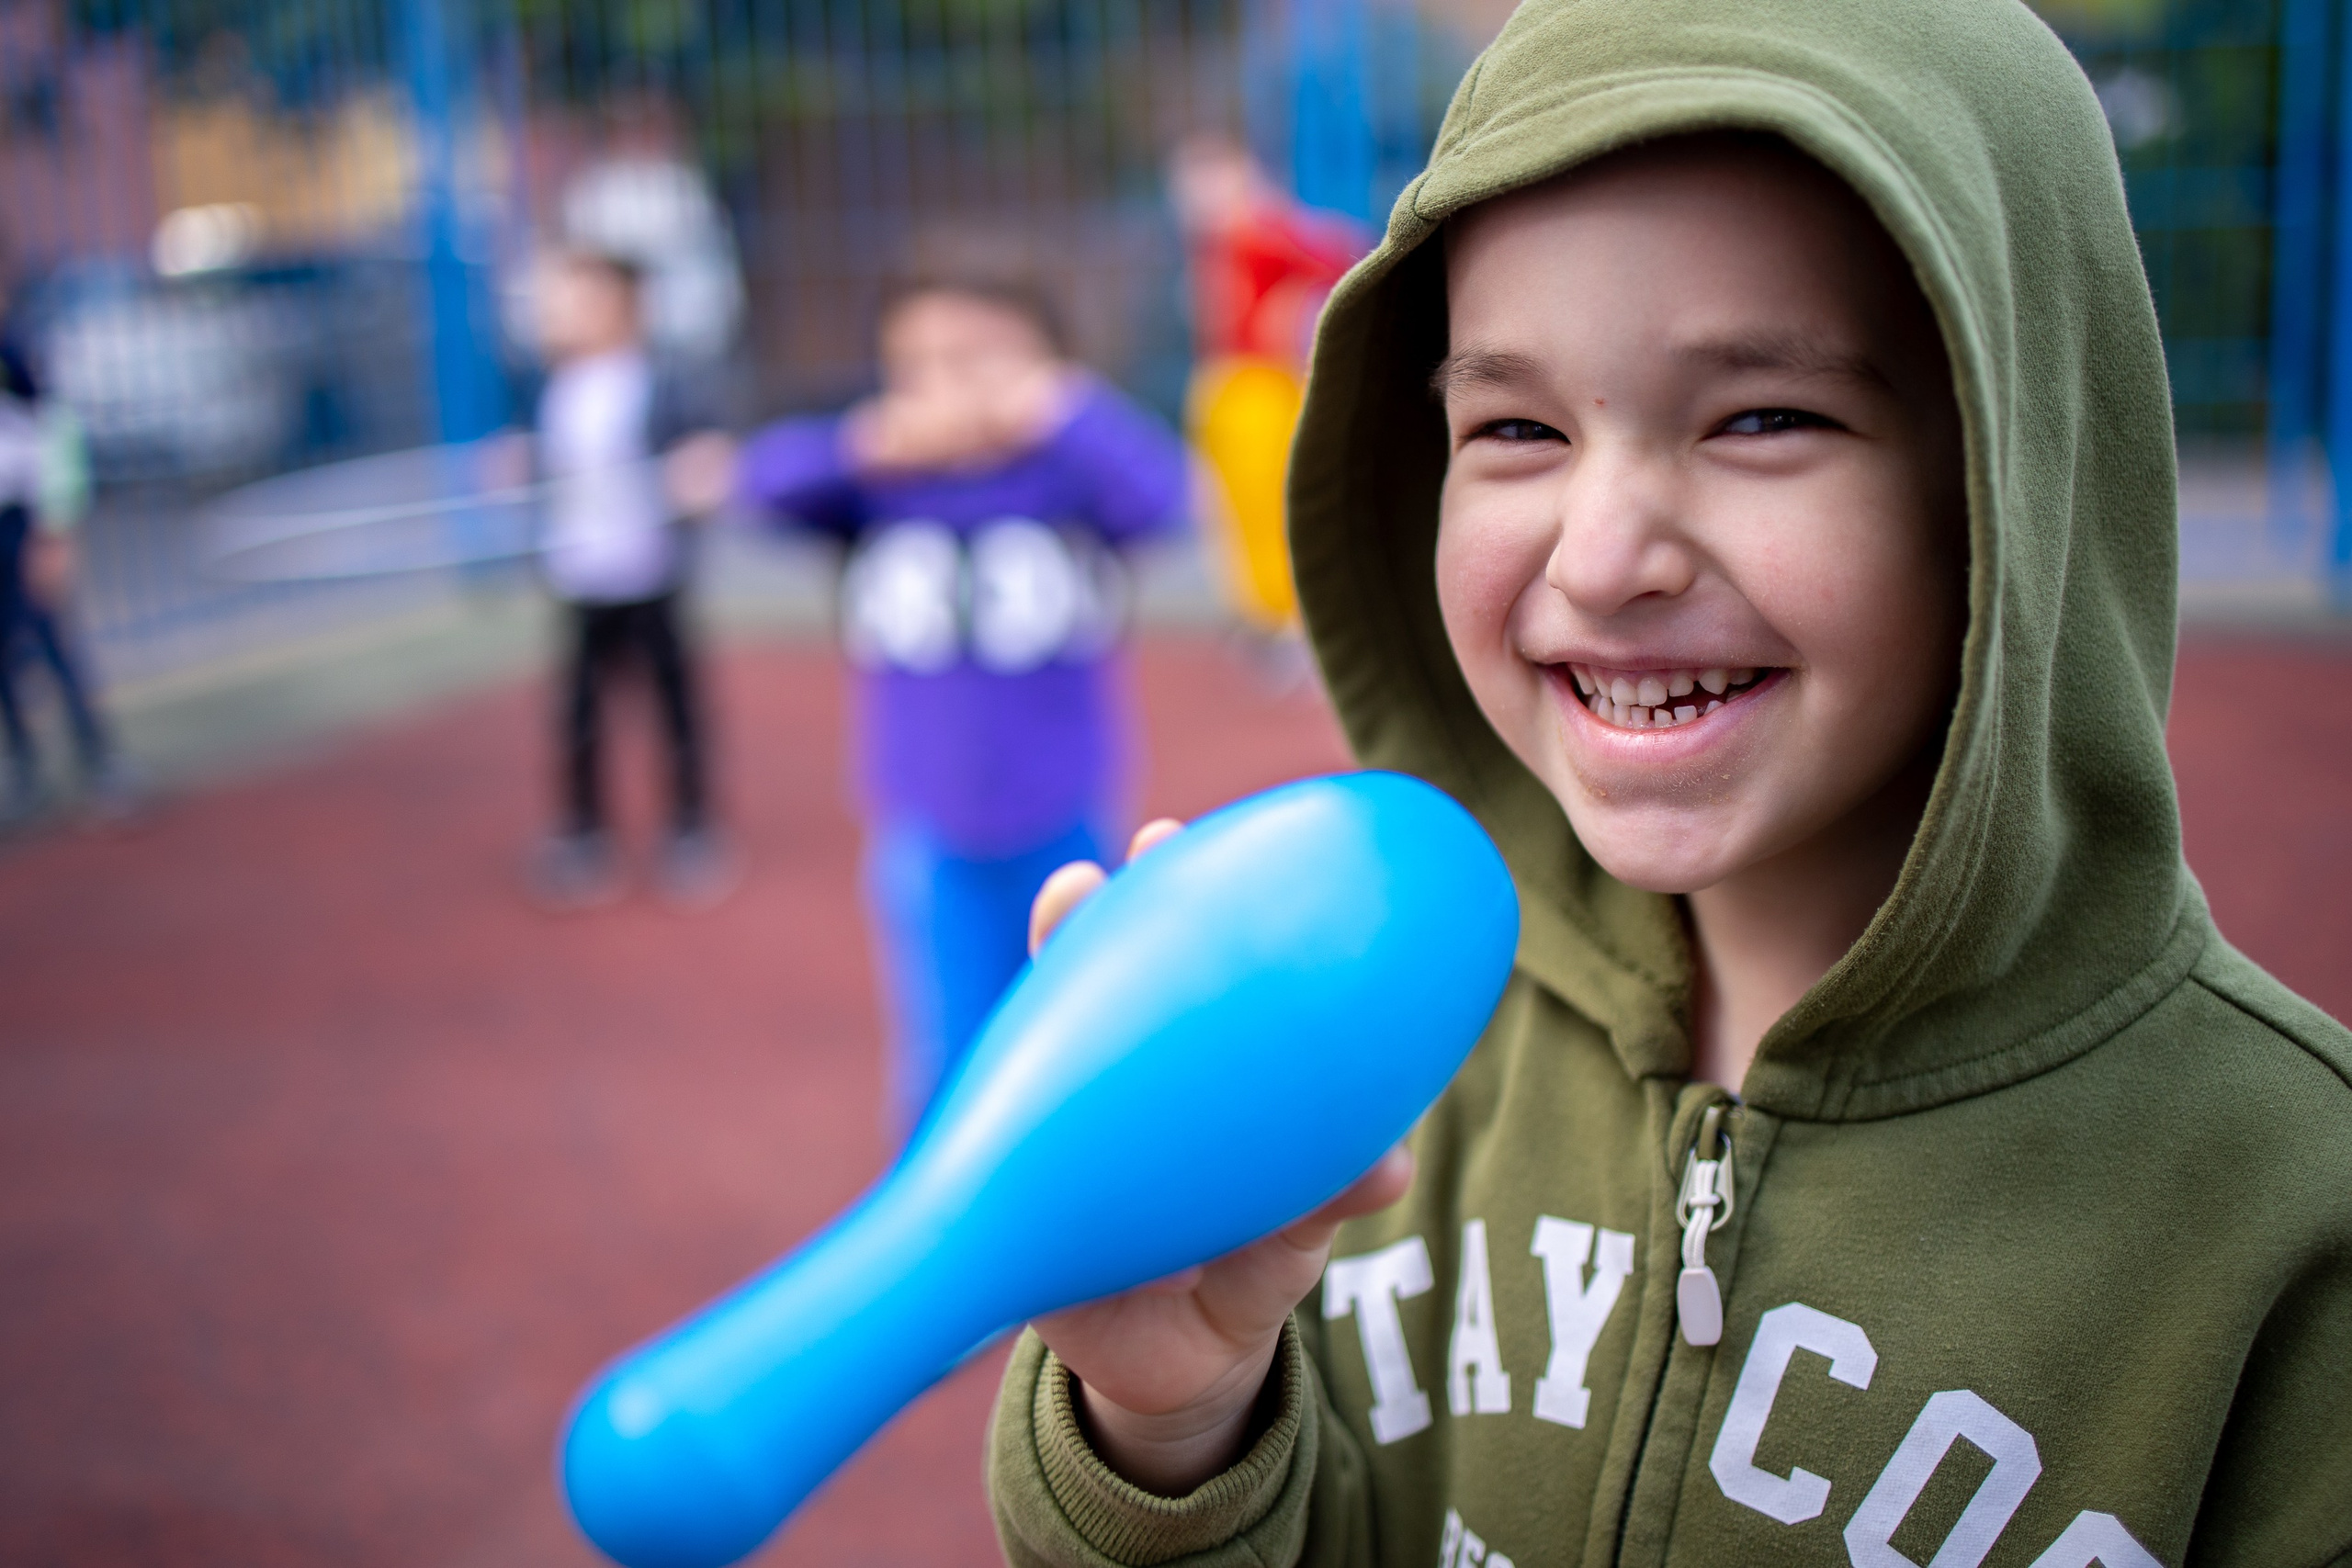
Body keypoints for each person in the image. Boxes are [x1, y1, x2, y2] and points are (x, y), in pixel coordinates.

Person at [988, 2, 2352, 1564]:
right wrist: (1175, 1431)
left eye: (1762, 417)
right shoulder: (1380, 1059)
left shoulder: (2292, 1224)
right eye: (1513, 425)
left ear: (2009, 479)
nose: (1606, 554)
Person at [738, 270, 1189, 1136]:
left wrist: (1070, 414)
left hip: (1065, 803)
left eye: (983, 360)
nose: (952, 385)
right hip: (926, 818)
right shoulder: (880, 484)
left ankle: (1077, 1231)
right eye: (922, 364)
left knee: (1071, 1038)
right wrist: (862, 445)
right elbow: (762, 486)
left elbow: (1166, 501)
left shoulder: (1066, 473)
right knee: (941, 1059)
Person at [522, 247, 736, 909]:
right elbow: (550, 468)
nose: (557, 315)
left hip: (650, 572)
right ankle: (585, 832)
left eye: (578, 299)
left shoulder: (659, 381)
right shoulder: (553, 389)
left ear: (625, 308)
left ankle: (692, 828)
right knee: (579, 711)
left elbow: (705, 452)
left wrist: (701, 470)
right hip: (581, 573)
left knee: (675, 706)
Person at [1169, 135, 1363, 644]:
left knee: (1270, 499)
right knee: (1233, 503)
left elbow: (1340, 255)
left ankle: (1290, 615)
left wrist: (1291, 309)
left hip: (1259, 383)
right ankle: (1261, 609)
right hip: (1227, 379)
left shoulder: (1263, 229)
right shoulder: (1217, 242)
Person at [0, 334, 132, 829]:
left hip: (22, 523)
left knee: (53, 642)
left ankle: (99, 760)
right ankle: (25, 770)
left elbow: (56, 434)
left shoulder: (15, 354)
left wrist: (54, 531)